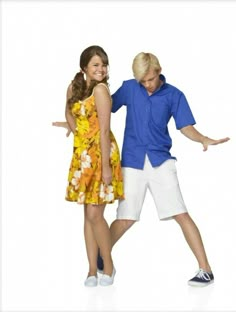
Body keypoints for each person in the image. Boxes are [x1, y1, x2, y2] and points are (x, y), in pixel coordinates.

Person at [53, 51, 230, 287]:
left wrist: (203, 138)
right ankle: (102, 260)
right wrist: (74, 122)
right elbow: (99, 109)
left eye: (151, 79)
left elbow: (185, 127)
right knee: (125, 219)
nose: (147, 84)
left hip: (160, 161)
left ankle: (205, 269)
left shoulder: (174, 95)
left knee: (180, 213)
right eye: (142, 81)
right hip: (132, 161)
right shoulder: (129, 88)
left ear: (159, 71)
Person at [59, 45, 124, 287]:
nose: (101, 68)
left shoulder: (101, 90)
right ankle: (90, 270)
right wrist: (79, 134)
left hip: (102, 155)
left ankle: (108, 265)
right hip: (82, 156)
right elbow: (68, 113)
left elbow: (105, 130)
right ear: (84, 67)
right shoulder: (74, 87)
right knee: (87, 215)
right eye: (96, 64)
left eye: (103, 64)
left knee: (96, 214)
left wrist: (107, 168)